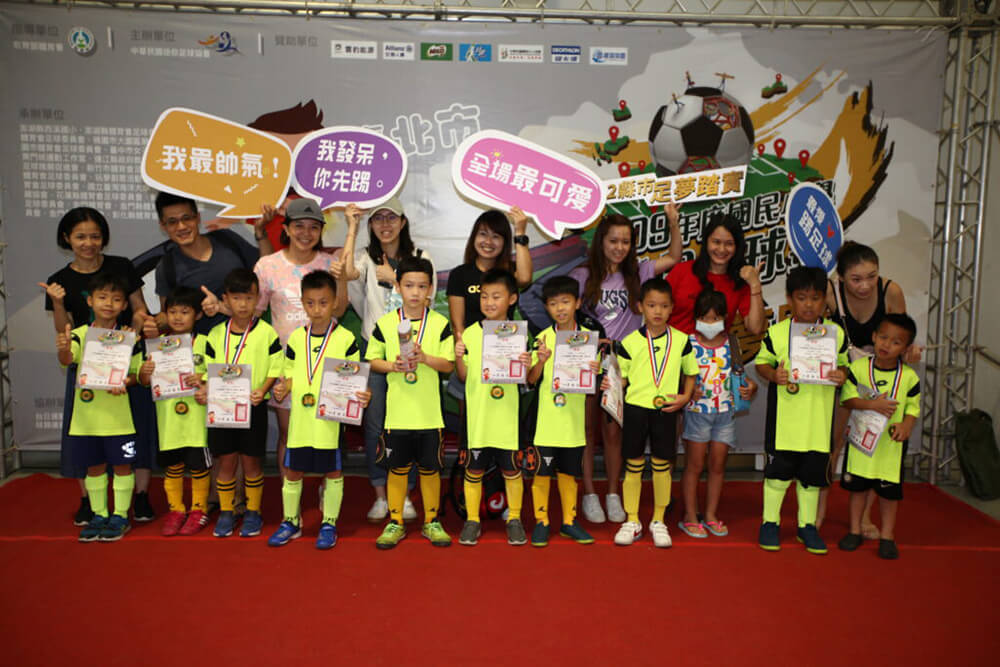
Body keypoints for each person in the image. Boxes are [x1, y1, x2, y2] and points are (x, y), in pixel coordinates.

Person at [40, 207, 154, 525]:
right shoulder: (59, 281)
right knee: (86, 435)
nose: (88, 243)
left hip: (125, 358)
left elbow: (139, 308)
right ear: (67, 238)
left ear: (104, 237)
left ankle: (140, 496)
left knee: (134, 429)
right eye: (80, 237)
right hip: (87, 365)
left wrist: (133, 332)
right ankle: (89, 502)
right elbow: (63, 330)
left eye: (95, 236)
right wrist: (58, 302)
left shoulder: (122, 266)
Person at [569, 206, 681, 524]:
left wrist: (673, 223)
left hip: (623, 366)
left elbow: (673, 257)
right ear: (601, 241)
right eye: (613, 241)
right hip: (588, 361)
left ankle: (613, 493)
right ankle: (590, 494)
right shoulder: (582, 276)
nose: (619, 247)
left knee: (614, 433)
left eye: (626, 241)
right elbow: (566, 316)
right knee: (586, 431)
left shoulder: (639, 273)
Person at [817, 241, 919, 535]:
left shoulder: (891, 291)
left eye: (871, 276)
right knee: (830, 446)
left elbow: (901, 335)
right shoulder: (830, 291)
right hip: (842, 378)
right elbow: (814, 330)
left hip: (880, 382)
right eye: (856, 279)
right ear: (841, 278)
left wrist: (910, 350)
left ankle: (863, 518)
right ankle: (817, 512)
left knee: (873, 445)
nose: (865, 285)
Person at [342, 198, 433, 522]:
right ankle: (380, 494)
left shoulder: (421, 258)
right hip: (376, 351)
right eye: (378, 218)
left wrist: (393, 277)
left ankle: (405, 494)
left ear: (403, 222)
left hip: (412, 352)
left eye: (391, 218)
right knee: (375, 426)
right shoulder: (366, 258)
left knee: (408, 426)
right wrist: (352, 226)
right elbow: (347, 273)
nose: (385, 224)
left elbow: (425, 301)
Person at [268, 271, 370, 549]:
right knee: (293, 470)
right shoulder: (296, 338)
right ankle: (291, 521)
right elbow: (290, 371)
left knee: (333, 472)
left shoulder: (346, 338)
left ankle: (329, 523)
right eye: (310, 303)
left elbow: (355, 376)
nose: (317, 309)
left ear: (335, 302)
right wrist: (284, 387)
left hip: (329, 421)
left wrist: (362, 393)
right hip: (301, 420)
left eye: (323, 303)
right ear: (302, 303)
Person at [754, 267, 849, 555]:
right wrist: (774, 375)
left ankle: (807, 527)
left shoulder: (835, 334)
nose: (809, 304)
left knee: (812, 479)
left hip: (818, 424)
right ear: (789, 299)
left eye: (815, 298)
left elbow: (845, 365)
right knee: (777, 476)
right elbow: (761, 363)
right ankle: (770, 523)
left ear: (824, 300)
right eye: (801, 297)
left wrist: (841, 375)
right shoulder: (776, 332)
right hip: (784, 423)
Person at [253, 197, 347, 478]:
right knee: (288, 434)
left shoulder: (331, 264)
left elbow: (340, 310)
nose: (306, 233)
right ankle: (289, 496)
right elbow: (253, 311)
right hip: (287, 366)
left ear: (321, 231)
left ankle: (327, 493)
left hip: (326, 365)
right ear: (286, 228)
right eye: (299, 226)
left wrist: (342, 277)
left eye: (313, 227)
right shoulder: (267, 265)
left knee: (328, 435)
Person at [365, 256, 455, 549]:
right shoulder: (385, 323)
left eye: (421, 286)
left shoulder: (440, 324)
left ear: (430, 289)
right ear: (398, 287)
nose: (415, 292)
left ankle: (432, 521)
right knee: (397, 469)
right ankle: (395, 522)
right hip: (397, 415)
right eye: (409, 285)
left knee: (430, 470)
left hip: (429, 415)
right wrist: (392, 366)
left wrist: (425, 358)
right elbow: (372, 359)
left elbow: (449, 365)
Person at [608, 277, 698, 547]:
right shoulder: (629, 342)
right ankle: (632, 520)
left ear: (672, 308)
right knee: (633, 464)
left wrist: (685, 397)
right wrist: (610, 385)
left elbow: (691, 373)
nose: (657, 311)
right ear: (640, 307)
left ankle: (658, 520)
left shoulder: (681, 340)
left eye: (664, 306)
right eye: (651, 305)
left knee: (662, 465)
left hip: (666, 409)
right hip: (635, 408)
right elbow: (622, 379)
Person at [56, 273, 142, 542]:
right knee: (94, 468)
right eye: (102, 297)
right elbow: (67, 360)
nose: (109, 304)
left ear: (124, 305)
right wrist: (63, 348)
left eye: (116, 299)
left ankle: (120, 516)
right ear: (90, 301)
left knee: (123, 467)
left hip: (119, 419)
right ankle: (99, 515)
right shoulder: (80, 334)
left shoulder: (129, 337)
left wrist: (126, 381)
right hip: (87, 420)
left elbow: (138, 375)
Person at [199, 269, 283, 538]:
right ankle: (227, 511)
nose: (243, 304)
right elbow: (207, 370)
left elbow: (276, 366)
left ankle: (253, 511)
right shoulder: (215, 334)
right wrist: (204, 389)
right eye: (236, 298)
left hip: (253, 408)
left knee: (251, 464)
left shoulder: (267, 333)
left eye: (249, 298)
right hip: (222, 408)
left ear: (258, 299)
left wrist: (263, 389)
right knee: (226, 463)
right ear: (226, 299)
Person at [454, 269, 532, 547]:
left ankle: (515, 519)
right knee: (474, 470)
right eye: (484, 296)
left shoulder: (519, 334)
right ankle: (472, 520)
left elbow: (527, 379)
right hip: (478, 417)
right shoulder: (471, 333)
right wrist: (459, 356)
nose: (488, 302)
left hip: (507, 417)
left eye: (496, 296)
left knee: (512, 470)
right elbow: (463, 375)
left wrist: (527, 364)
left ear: (512, 299)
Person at [525, 275, 602, 547]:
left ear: (577, 303)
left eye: (565, 302)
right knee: (542, 472)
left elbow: (595, 382)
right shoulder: (542, 339)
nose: (560, 308)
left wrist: (596, 370)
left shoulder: (588, 339)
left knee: (570, 473)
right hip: (546, 422)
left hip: (573, 422)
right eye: (554, 303)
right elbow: (530, 380)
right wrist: (541, 362)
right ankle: (542, 521)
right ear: (547, 307)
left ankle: (569, 521)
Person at [837, 314, 921, 560]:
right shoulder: (858, 368)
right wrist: (872, 405)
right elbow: (847, 399)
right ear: (873, 336)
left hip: (890, 447)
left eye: (896, 342)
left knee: (889, 495)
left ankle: (887, 536)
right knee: (857, 491)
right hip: (861, 443)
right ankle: (854, 531)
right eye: (883, 337)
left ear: (905, 348)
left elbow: (913, 407)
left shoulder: (909, 377)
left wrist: (906, 425)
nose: (887, 345)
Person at [678, 289, 757, 539]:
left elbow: (740, 376)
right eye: (705, 318)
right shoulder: (687, 344)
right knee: (694, 466)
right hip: (697, 413)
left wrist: (750, 387)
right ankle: (690, 516)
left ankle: (711, 514)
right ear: (696, 318)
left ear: (725, 318)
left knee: (718, 465)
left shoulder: (732, 343)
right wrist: (686, 390)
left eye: (715, 318)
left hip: (725, 414)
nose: (710, 323)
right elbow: (677, 379)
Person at [137, 287, 211, 536]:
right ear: (165, 315)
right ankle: (176, 510)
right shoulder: (157, 345)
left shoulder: (206, 343)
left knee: (199, 466)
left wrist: (203, 378)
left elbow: (218, 374)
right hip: (168, 418)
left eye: (185, 312)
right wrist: (145, 373)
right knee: (173, 466)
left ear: (198, 315)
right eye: (173, 312)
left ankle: (199, 509)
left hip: (197, 419)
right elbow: (143, 380)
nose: (178, 317)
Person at [147, 192, 262, 337]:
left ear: (198, 217)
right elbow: (168, 313)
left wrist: (261, 233)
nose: (181, 226)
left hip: (250, 337)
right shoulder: (166, 267)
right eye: (172, 222)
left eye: (186, 218)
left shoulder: (226, 239)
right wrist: (154, 324)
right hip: (205, 346)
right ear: (163, 226)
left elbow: (267, 272)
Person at [666, 214, 766, 336]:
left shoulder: (740, 281)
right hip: (672, 346)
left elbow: (755, 328)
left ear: (737, 246)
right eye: (716, 242)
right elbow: (656, 310)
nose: (722, 249)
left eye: (729, 243)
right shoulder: (682, 270)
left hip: (715, 348)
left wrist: (755, 285)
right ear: (706, 242)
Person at [446, 207, 533, 336]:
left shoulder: (510, 270)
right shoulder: (459, 274)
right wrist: (464, 347)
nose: (488, 242)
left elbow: (525, 279)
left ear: (505, 242)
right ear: (474, 236)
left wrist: (520, 233)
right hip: (472, 344)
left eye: (495, 236)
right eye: (483, 234)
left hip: (506, 342)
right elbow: (458, 325)